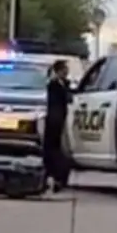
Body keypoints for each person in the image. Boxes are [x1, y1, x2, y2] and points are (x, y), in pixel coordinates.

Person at [43, 59, 72, 192]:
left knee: (61, 152)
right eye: (64, 69)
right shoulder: (52, 86)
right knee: (53, 150)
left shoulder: (65, 85)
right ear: (58, 71)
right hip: (55, 123)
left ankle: (60, 178)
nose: (67, 71)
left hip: (62, 121)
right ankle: (52, 176)